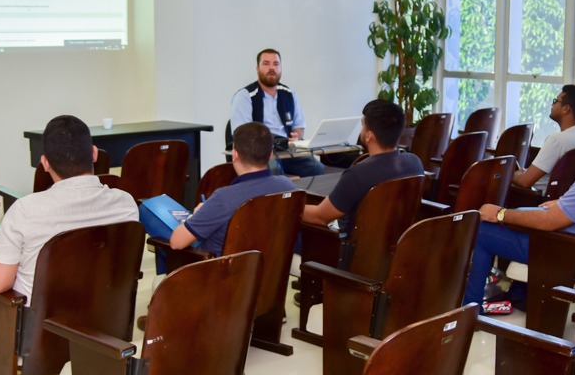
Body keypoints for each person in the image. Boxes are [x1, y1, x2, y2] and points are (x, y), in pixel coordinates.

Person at [463, 105, 575, 309]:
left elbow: (548, 222)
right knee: (524, 213)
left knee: (481, 229)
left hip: (561, 250)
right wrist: (562, 203)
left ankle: (470, 308)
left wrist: (500, 214)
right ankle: (510, 295)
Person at [0, 115, 139, 302]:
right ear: (94, 153)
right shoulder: (126, 204)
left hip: (39, 324)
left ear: (45, 163)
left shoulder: (26, 210)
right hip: (103, 313)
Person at [164, 121, 296, 254]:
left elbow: (177, 243)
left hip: (218, 270)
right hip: (268, 268)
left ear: (235, 154)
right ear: (270, 155)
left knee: (153, 209)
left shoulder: (224, 198)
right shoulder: (287, 186)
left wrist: (196, 216)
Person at [302, 99, 423, 235]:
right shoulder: (415, 163)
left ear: (369, 135)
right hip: (397, 244)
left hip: (351, 248)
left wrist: (290, 208)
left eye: (363, 125)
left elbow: (319, 217)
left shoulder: (357, 174)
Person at [230, 48, 325, 177]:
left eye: (276, 64)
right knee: (274, 172)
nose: (271, 68)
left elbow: (299, 127)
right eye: (266, 64)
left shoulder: (289, 94)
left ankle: (305, 197)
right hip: (260, 154)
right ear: (257, 68)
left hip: (287, 151)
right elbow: (241, 134)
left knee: (318, 169)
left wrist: (296, 135)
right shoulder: (245, 96)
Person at [512, 84, 575, 193]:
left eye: (555, 101)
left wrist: (512, 174)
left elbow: (525, 181)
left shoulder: (557, 140)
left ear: (566, 109)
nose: (552, 104)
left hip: (540, 200)